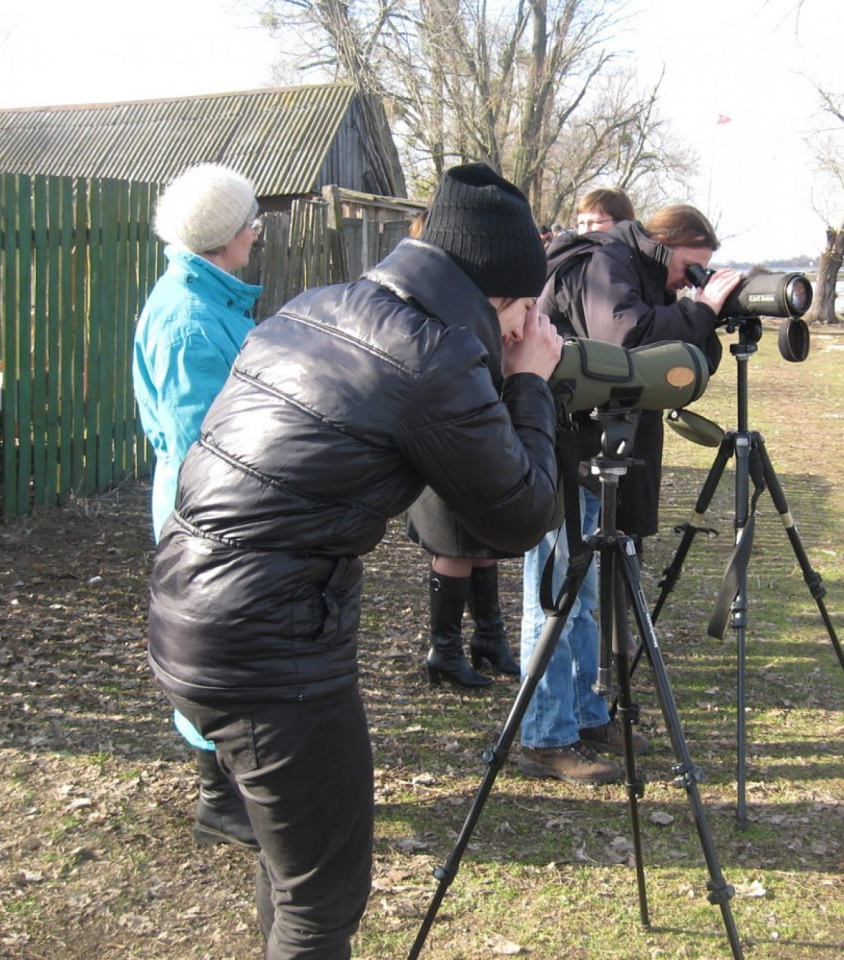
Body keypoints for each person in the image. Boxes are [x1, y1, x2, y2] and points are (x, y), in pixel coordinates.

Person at [145, 162, 561, 959]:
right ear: (493, 293)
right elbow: (517, 516)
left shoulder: (318, 306)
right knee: (322, 899)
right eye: (521, 308)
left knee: (293, 865)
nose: (522, 326)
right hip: (270, 650)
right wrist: (531, 383)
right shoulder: (432, 353)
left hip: (191, 611)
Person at [517, 203, 743, 785]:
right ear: (666, 246)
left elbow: (680, 368)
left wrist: (700, 316)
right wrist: (698, 308)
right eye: (690, 267)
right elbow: (627, 342)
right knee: (555, 599)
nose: (687, 282)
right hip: (564, 447)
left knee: (587, 598)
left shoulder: (635, 272)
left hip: (599, 449)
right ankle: (544, 736)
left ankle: (587, 717)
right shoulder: (603, 266)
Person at [132, 162, 263, 850]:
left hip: (220, 507)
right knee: (211, 649)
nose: (256, 235)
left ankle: (235, 785)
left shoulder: (207, 297)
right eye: (251, 223)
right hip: (209, 513)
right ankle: (219, 798)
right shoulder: (188, 320)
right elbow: (203, 443)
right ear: (229, 234)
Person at [403, 210, 520, 690]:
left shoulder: (472, 289)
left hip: (476, 430)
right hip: (443, 437)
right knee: (453, 545)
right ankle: (444, 649)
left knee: (482, 542)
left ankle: (489, 637)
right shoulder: (431, 297)